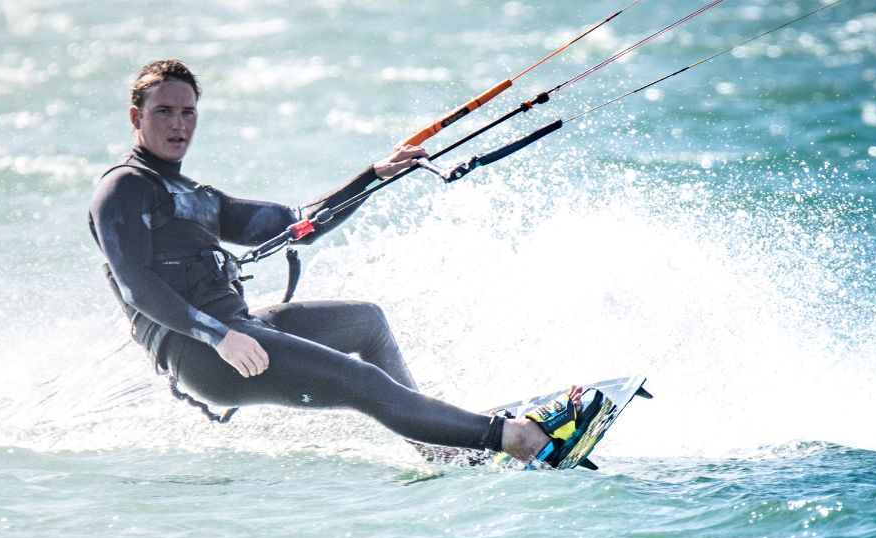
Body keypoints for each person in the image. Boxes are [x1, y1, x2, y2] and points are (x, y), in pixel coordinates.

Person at [88, 59, 580, 463]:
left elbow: (298, 224)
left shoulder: (197, 196)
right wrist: (219, 336)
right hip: (203, 351)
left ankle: (434, 444)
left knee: (367, 322)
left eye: (188, 112)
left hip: (237, 329)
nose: (179, 124)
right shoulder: (123, 188)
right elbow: (136, 286)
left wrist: (372, 176)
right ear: (136, 118)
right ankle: (512, 438)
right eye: (164, 112)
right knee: (360, 383)